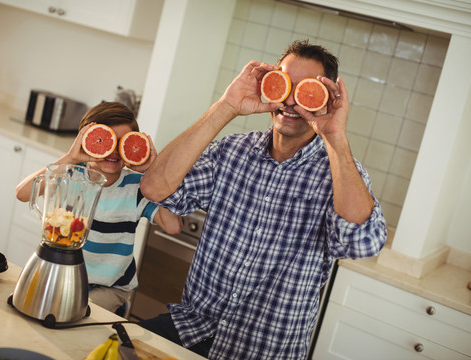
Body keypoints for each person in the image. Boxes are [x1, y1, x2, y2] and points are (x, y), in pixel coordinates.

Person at [138, 40, 387, 359]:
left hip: (262, 351)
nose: (291, 101)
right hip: (192, 329)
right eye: (283, 84)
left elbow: (362, 243)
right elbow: (155, 188)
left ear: (326, 100)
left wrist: (335, 136)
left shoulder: (339, 173)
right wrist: (227, 106)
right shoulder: (232, 152)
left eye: (306, 92)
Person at [16, 101, 182, 314]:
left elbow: (173, 226)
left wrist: (155, 173)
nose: (113, 151)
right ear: (86, 141)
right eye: (104, 141)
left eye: (123, 143)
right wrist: (70, 157)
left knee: (79, 315)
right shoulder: (70, 173)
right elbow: (22, 193)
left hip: (110, 287)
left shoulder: (139, 186)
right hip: (64, 274)